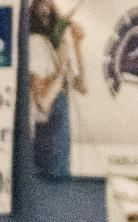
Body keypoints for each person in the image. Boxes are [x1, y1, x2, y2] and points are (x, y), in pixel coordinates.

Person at [27, 0, 85, 178]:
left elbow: (81, 86)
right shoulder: (37, 44)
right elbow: (42, 102)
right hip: (47, 149)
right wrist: (61, 71)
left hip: (60, 153)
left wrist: (76, 46)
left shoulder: (56, 49)